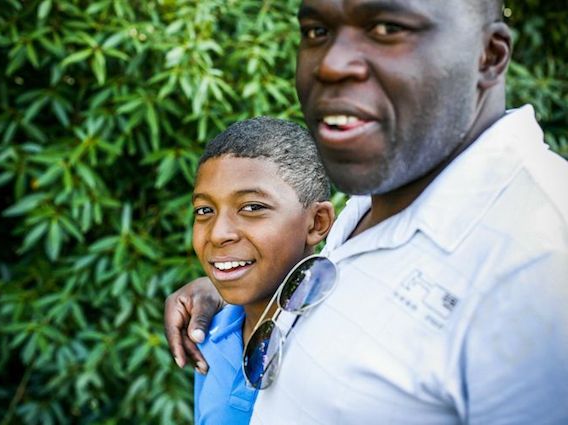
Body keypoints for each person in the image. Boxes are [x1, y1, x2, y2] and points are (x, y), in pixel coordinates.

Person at [165, 0, 568, 423]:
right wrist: (231, 294)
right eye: (317, 31)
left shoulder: (541, 263)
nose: (331, 65)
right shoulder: (378, 199)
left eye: (387, 28)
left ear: (489, 55)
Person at [190, 117, 334, 424]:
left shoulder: (338, 341)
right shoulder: (209, 336)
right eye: (204, 210)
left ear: (317, 222)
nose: (218, 233)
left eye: (252, 207)